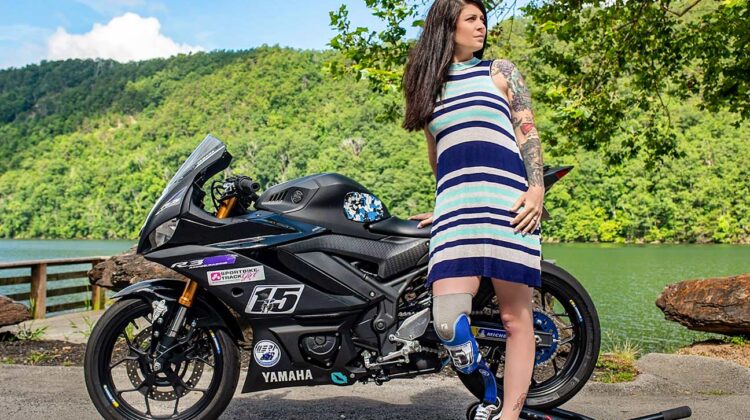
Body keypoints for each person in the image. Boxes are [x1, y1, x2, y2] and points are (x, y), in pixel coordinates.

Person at [402, 1, 544, 419]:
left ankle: (509, 415)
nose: (481, 26)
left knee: (515, 318)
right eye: (472, 19)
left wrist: (536, 189)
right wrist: (442, 203)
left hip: (508, 205)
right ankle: (490, 394)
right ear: (448, 27)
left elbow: (527, 131)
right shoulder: (428, 89)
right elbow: (437, 155)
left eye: (483, 19)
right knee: (448, 322)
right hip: (456, 213)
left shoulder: (500, 71)